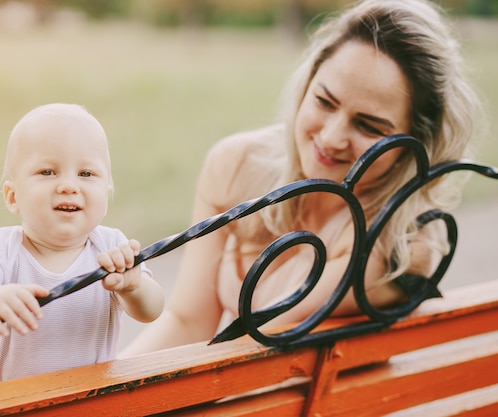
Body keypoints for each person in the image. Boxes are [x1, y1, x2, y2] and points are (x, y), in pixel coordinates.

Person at [121, 0, 483, 356]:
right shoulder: (236, 165)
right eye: (325, 102)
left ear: (416, 144)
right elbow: (188, 322)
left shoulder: (404, 241)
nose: (330, 137)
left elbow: (260, 338)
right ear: (307, 84)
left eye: (369, 126)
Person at [0, 103, 164, 387]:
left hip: (87, 402)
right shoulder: (3, 247)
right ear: (13, 197)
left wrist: (134, 286)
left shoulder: (111, 247)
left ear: (106, 194)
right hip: (2, 405)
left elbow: (152, 311)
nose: (68, 186)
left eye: (86, 174)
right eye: (48, 172)